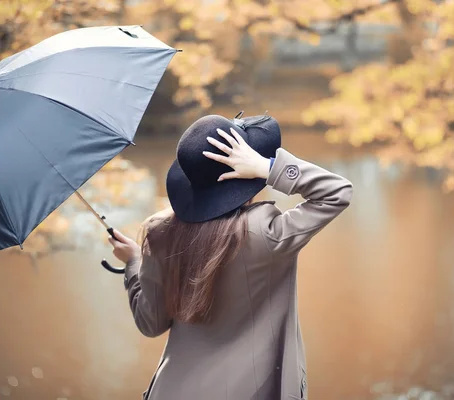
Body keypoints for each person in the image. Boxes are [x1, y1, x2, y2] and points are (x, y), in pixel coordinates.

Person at [108, 114, 353, 400]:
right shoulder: (266, 233)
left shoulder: (159, 235)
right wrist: (266, 166)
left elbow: (151, 323)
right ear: (243, 173)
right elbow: (337, 193)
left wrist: (134, 263)